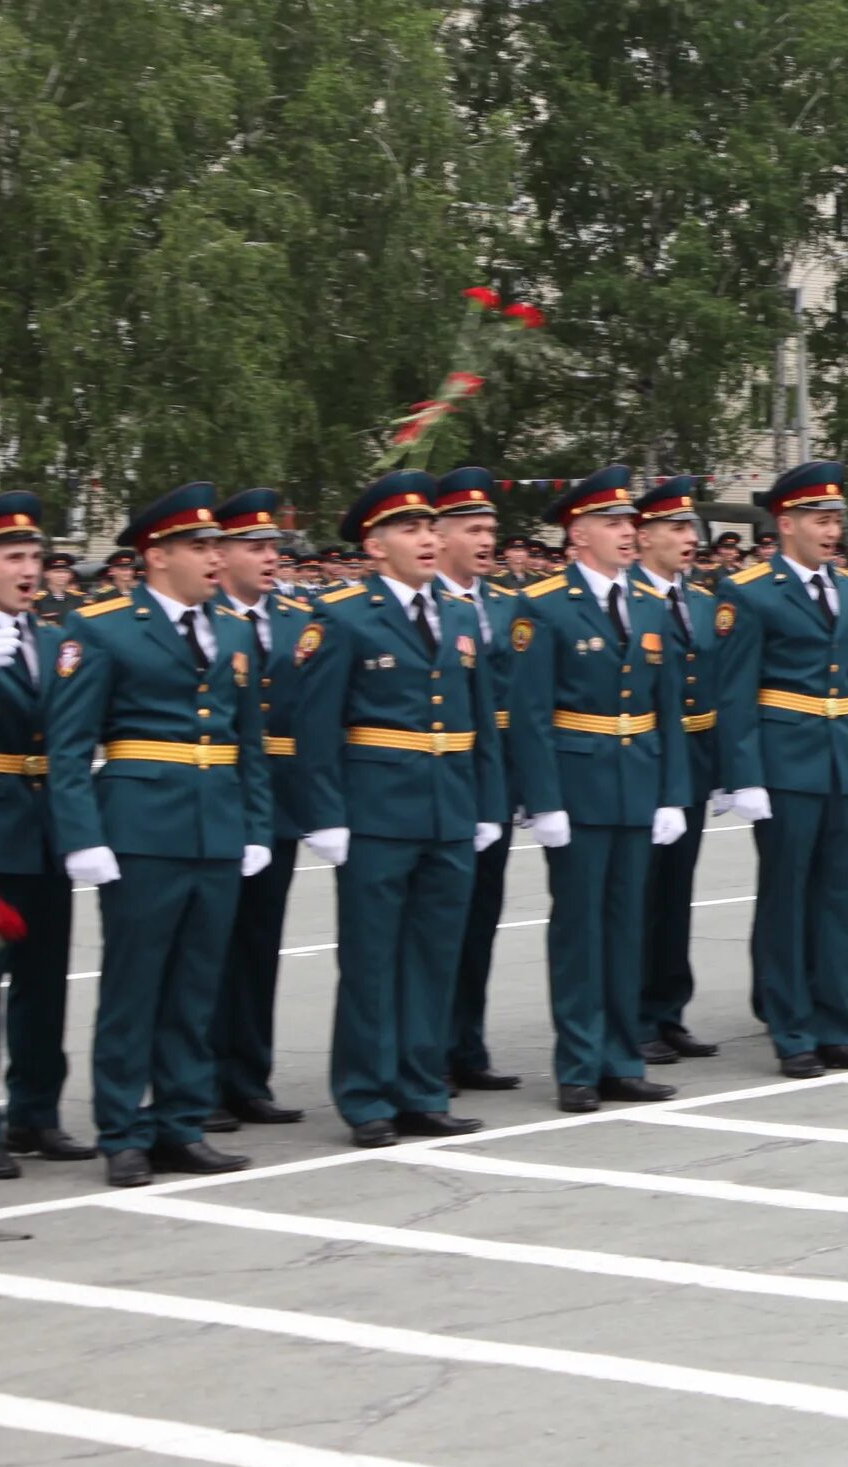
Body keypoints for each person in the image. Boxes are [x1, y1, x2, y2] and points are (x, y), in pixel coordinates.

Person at [45, 486, 274, 1185]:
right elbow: (69, 745)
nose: (215, 558)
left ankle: (180, 1121)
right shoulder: (105, 626)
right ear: (156, 555)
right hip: (141, 829)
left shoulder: (232, 631)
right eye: (201, 547)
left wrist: (255, 825)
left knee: (196, 987)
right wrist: (84, 837)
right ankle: (122, 1130)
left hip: (216, 827)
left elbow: (249, 742)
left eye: (216, 546)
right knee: (134, 986)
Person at [294, 471, 506, 1148]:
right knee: (371, 961)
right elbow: (315, 727)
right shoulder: (343, 615)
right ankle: (366, 1097)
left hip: (447, 807)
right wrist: (326, 816)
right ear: (375, 544)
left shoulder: (457, 613)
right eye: (410, 530)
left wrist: (486, 803)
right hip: (377, 812)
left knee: (434, 956)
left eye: (428, 528)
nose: (426, 539)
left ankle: (421, 1088)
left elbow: (479, 722)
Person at [505, 468, 688, 1112]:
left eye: (630, 523)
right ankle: (579, 1065)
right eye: (613, 524)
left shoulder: (648, 603)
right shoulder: (545, 605)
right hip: (578, 785)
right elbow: (529, 713)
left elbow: (667, 707)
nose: (628, 534)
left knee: (625, 927)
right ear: (577, 534)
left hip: (636, 779)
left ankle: (622, 1057)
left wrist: (672, 792)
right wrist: (544, 800)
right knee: (580, 931)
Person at [716, 459, 848, 1076]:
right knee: (787, 900)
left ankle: (837, 1023)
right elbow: (735, 691)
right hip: (785, 762)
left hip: (842, 758)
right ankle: (791, 1030)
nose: (831, 530)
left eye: (836, 520)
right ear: (785, 524)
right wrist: (745, 774)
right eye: (820, 519)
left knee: (842, 899)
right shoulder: (750, 591)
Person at [206, 488, 314, 1130]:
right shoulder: (204, 615)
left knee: (259, 943)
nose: (271, 557)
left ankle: (249, 1078)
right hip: (218, 795)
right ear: (220, 554)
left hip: (281, 799)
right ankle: (201, 1081)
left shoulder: (303, 617)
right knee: (207, 948)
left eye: (275, 547)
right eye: (256, 547)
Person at [0, 492, 87, 1175]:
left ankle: (36, 1112)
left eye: (34, 557)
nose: (29, 570)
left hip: (47, 830)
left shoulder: (56, 639)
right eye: (12, 557)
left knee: (44, 982)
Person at [429, 465, 525, 1095]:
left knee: (481, 917)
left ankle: (467, 1043)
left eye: (492, 528)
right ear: (439, 536)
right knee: (437, 925)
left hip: (494, 776)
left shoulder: (506, 604)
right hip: (440, 772)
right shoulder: (426, 603)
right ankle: (428, 1048)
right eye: (474, 528)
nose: (488, 539)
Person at [632, 476, 726, 1063]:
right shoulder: (630, 599)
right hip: (642, 762)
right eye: (674, 528)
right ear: (643, 537)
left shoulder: (703, 602)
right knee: (639, 896)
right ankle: (636, 1014)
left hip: (692, 762)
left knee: (676, 892)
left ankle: (669, 1010)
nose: (688, 538)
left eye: (690, 528)